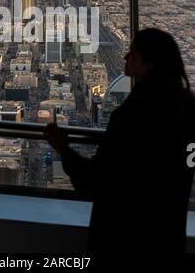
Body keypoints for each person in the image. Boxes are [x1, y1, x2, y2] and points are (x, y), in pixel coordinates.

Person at [45, 28, 195, 255]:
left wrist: (62, 148)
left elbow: (97, 180)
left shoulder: (132, 117)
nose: (125, 57)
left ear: (150, 64)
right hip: (167, 235)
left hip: (121, 236)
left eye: (133, 54)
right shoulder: (188, 110)